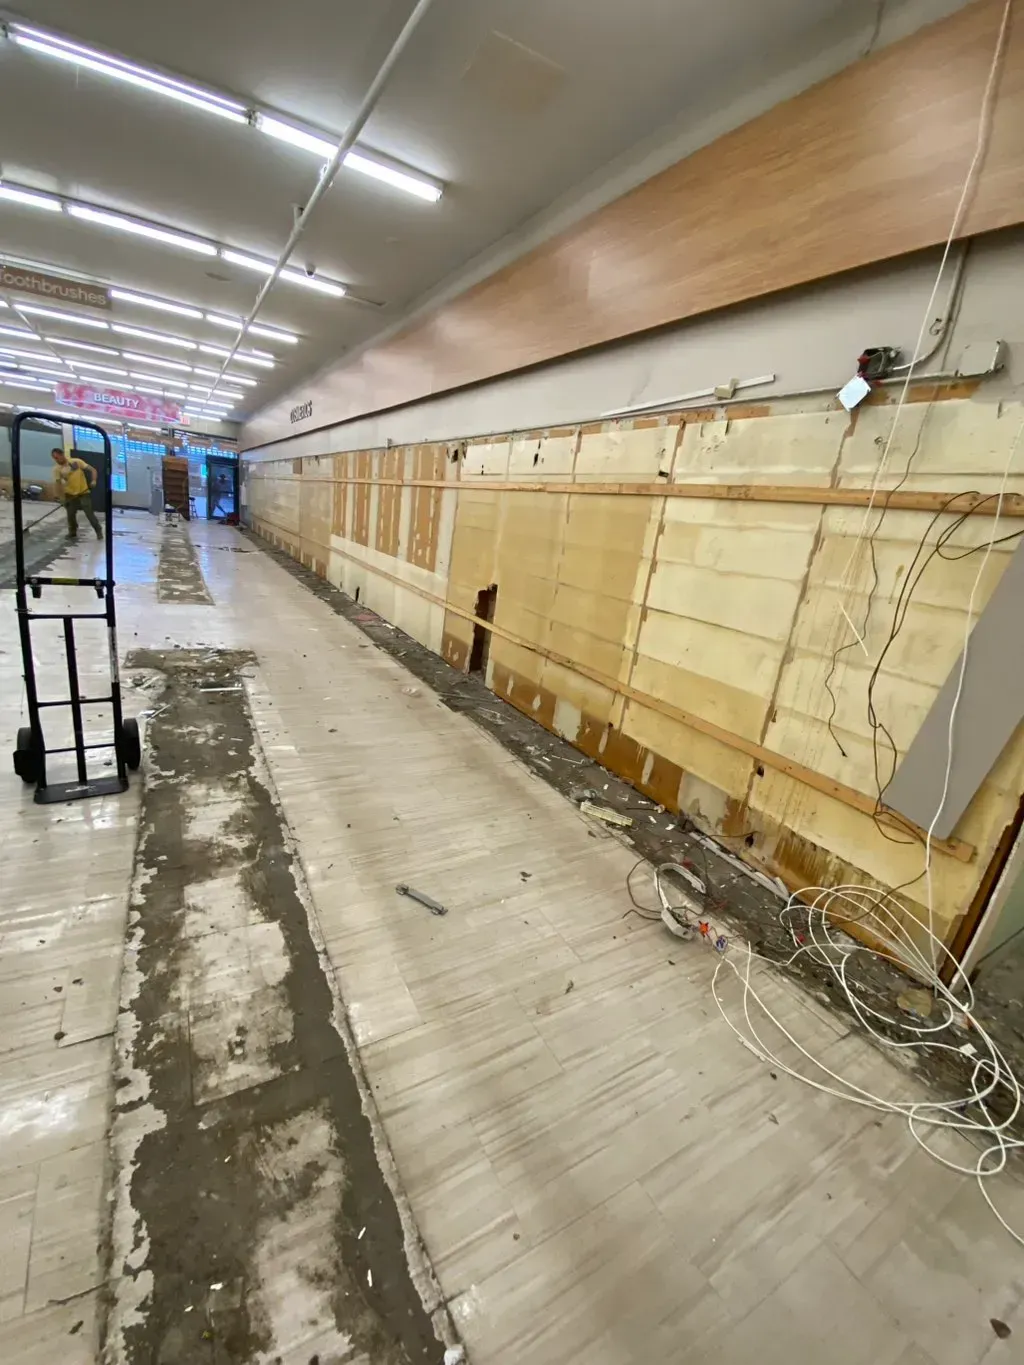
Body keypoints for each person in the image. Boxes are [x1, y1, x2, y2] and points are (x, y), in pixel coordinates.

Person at [50, 448, 103, 539]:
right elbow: (58, 484)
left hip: (83, 492)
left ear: (62, 455)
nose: (56, 460)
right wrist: (60, 497)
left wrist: (94, 481)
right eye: (54, 458)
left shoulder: (76, 462)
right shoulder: (57, 469)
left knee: (89, 514)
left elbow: (93, 470)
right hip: (70, 494)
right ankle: (72, 532)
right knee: (70, 515)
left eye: (57, 457)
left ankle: (98, 530)